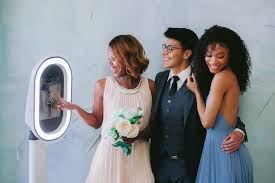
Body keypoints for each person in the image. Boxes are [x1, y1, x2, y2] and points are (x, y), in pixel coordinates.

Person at [150, 27, 247, 183]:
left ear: (187, 53)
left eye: (170, 48)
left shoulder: (205, 80)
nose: (164, 52)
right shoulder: (159, 79)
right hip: (160, 166)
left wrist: (239, 132)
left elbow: (229, 113)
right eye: (164, 47)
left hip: (192, 167)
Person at [57, 35, 156, 183]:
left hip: (138, 159)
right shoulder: (103, 85)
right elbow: (96, 121)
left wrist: (137, 134)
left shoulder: (150, 87)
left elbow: (153, 127)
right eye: (109, 58)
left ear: (128, 58)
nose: (110, 62)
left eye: (114, 58)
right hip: (108, 160)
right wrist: (74, 108)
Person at [187, 25, 253, 183]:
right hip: (222, 151)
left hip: (223, 152)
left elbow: (207, 122)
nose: (213, 61)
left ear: (230, 57)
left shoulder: (221, 78)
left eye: (220, 56)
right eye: (209, 55)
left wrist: (196, 92)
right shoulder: (226, 75)